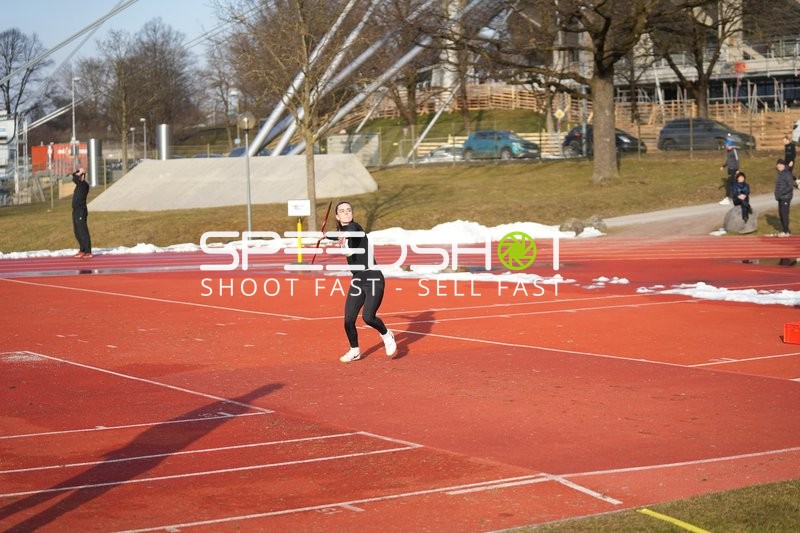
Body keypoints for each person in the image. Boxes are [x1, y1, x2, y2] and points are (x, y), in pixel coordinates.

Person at [334, 201, 396, 362]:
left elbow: (351, 231)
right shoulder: (341, 235)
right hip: (357, 280)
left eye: (349, 210)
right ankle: (355, 350)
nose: (346, 213)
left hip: (373, 277)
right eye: (342, 211)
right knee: (348, 320)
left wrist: (342, 236)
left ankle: (386, 334)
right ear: (337, 216)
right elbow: (340, 234)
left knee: (368, 317)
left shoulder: (356, 228)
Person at [71, 167, 93, 258]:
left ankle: (88, 251)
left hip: (81, 210)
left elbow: (74, 178)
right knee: (77, 231)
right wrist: (77, 172)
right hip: (75, 210)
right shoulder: (79, 185)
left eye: (80, 175)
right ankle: (82, 249)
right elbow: (74, 177)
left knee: (83, 230)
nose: (78, 177)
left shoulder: (84, 185)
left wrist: (81, 172)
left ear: (83, 176)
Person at [774, 159, 794, 237]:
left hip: (786, 197)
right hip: (780, 197)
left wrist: (780, 193)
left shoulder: (787, 174)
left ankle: (786, 231)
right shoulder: (780, 174)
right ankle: (785, 230)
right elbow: (778, 186)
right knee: (781, 214)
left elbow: (790, 187)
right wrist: (776, 194)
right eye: (777, 165)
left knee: (784, 214)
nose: (778, 166)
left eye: (779, 165)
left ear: (783, 165)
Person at [719, 138, 739, 205]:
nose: (726, 147)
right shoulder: (728, 151)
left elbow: (737, 160)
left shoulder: (734, 151)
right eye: (726, 146)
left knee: (729, 184)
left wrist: (738, 170)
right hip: (729, 169)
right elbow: (728, 160)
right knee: (733, 183)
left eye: (727, 146)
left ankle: (727, 198)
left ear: (730, 146)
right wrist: (723, 166)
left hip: (734, 169)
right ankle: (735, 196)